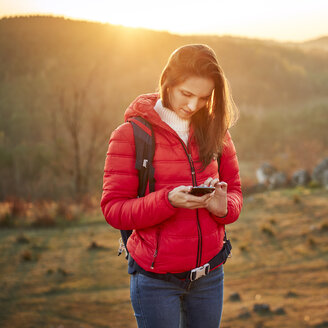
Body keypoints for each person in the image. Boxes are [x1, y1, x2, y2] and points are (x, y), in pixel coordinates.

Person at [101, 44, 242, 328]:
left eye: (204, 98)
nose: (193, 106)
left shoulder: (217, 131)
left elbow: (236, 194)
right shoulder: (130, 135)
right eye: (186, 94)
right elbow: (114, 209)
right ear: (167, 81)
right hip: (156, 282)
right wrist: (168, 201)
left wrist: (222, 206)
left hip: (209, 276)